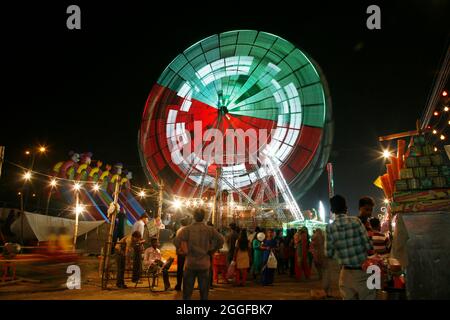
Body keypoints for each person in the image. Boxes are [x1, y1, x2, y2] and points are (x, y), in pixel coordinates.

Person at [326, 195, 375, 300]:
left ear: (332, 210)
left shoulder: (329, 228)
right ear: (346, 208)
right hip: (363, 272)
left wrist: (342, 253)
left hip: (345, 274)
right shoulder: (356, 221)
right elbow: (368, 245)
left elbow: (328, 253)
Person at [174, 208, 224, 300]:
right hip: (204, 264)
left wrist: (182, 250)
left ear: (194, 216)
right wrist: (213, 250)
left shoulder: (187, 229)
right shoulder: (209, 230)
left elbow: (176, 241)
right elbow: (221, 240)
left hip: (190, 263)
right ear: (204, 217)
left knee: (187, 293)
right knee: (204, 293)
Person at [310, 228, 332, 297]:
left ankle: (325, 288)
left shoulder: (314, 238)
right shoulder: (323, 237)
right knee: (326, 272)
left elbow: (312, 248)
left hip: (318, 255)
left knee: (322, 271)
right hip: (324, 255)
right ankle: (325, 290)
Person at [174, 217, 190, 291]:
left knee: (179, 269)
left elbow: (176, 242)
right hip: (188, 253)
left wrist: (179, 249)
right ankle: (186, 286)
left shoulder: (179, 230)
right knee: (187, 270)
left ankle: (179, 285)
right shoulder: (189, 230)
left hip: (180, 253)